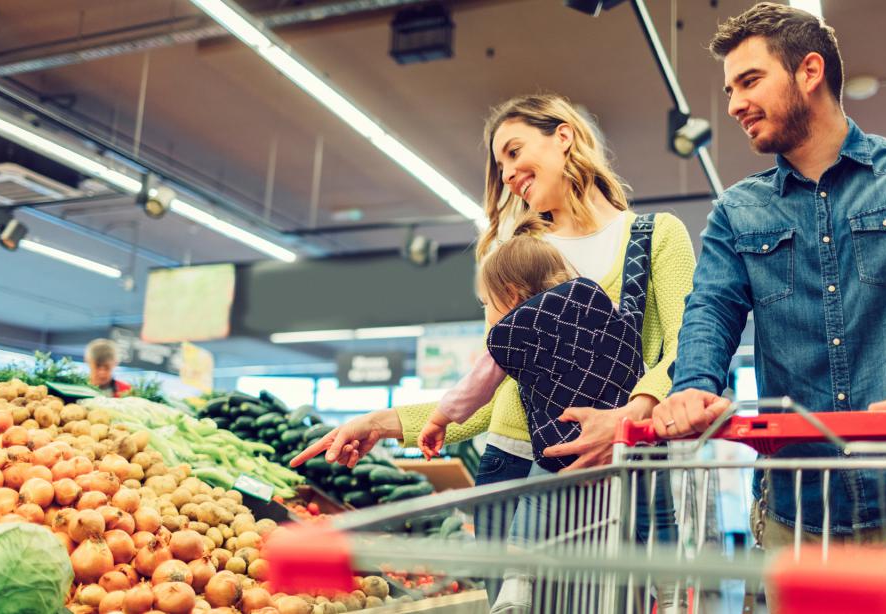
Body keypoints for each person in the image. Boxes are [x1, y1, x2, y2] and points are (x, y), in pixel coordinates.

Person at [653, 2, 886, 550]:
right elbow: (710, 310)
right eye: (729, 91)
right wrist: (693, 387)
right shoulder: (736, 212)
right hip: (796, 519)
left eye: (749, 81)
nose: (734, 105)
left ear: (810, 72)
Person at [292, 94, 695, 482]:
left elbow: (687, 349)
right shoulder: (517, 259)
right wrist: (379, 423)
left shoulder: (654, 236)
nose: (506, 174)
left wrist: (631, 415)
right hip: (512, 461)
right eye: (500, 165)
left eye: (514, 152)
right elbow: (491, 385)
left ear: (564, 136)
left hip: (620, 458)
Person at [418, 216, 580, 460]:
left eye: (486, 303)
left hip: (558, 442)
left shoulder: (512, 337)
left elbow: (474, 389)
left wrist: (438, 419)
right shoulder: (585, 305)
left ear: (511, 294)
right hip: (608, 433)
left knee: (538, 497)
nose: (486, 313)